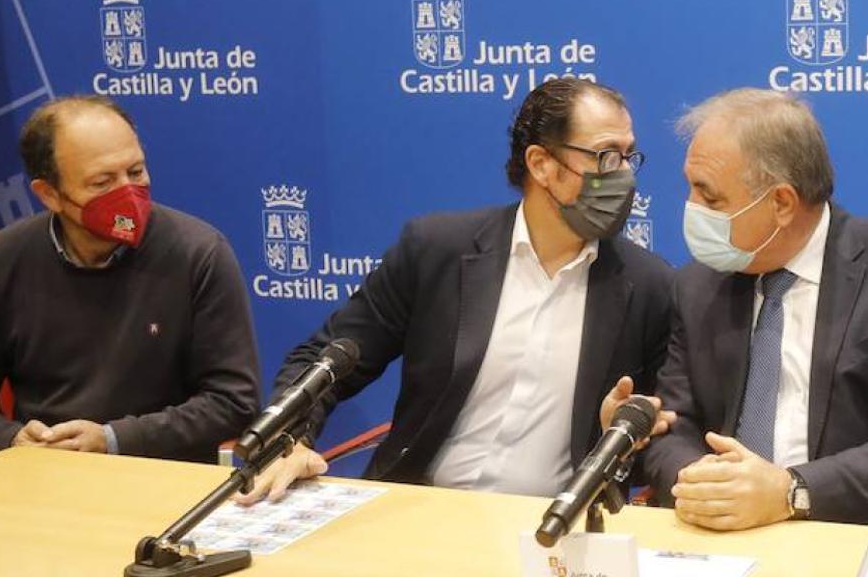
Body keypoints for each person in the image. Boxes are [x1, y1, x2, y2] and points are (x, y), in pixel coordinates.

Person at [240, 77, 673, 503]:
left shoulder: (648, 285)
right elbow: (323, 361)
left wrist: (619, 434)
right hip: (422, 510)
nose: (624, 177)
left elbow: (653, 445)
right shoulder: (436, 251)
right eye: (605, 156)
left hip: (556, 526)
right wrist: (289, 440)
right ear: (541, 163)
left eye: (628, 157)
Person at [641, 88, 868, 530]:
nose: (691, 208)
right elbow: (671, 424)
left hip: (843, 535)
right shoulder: (698, 285)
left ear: (781, 203)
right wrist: (704, 484)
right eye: (690, 188)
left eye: (710, 198)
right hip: (716, 535)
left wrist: (790, 491)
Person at [0, 95, 260, 463]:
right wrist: (11, 440)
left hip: (163, 473)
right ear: (49, 194)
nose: (127, 192)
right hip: (42, 473)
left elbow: (233, 401)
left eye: (136, 172)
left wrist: (113, 438)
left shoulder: (199, 253)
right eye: (103, 182)